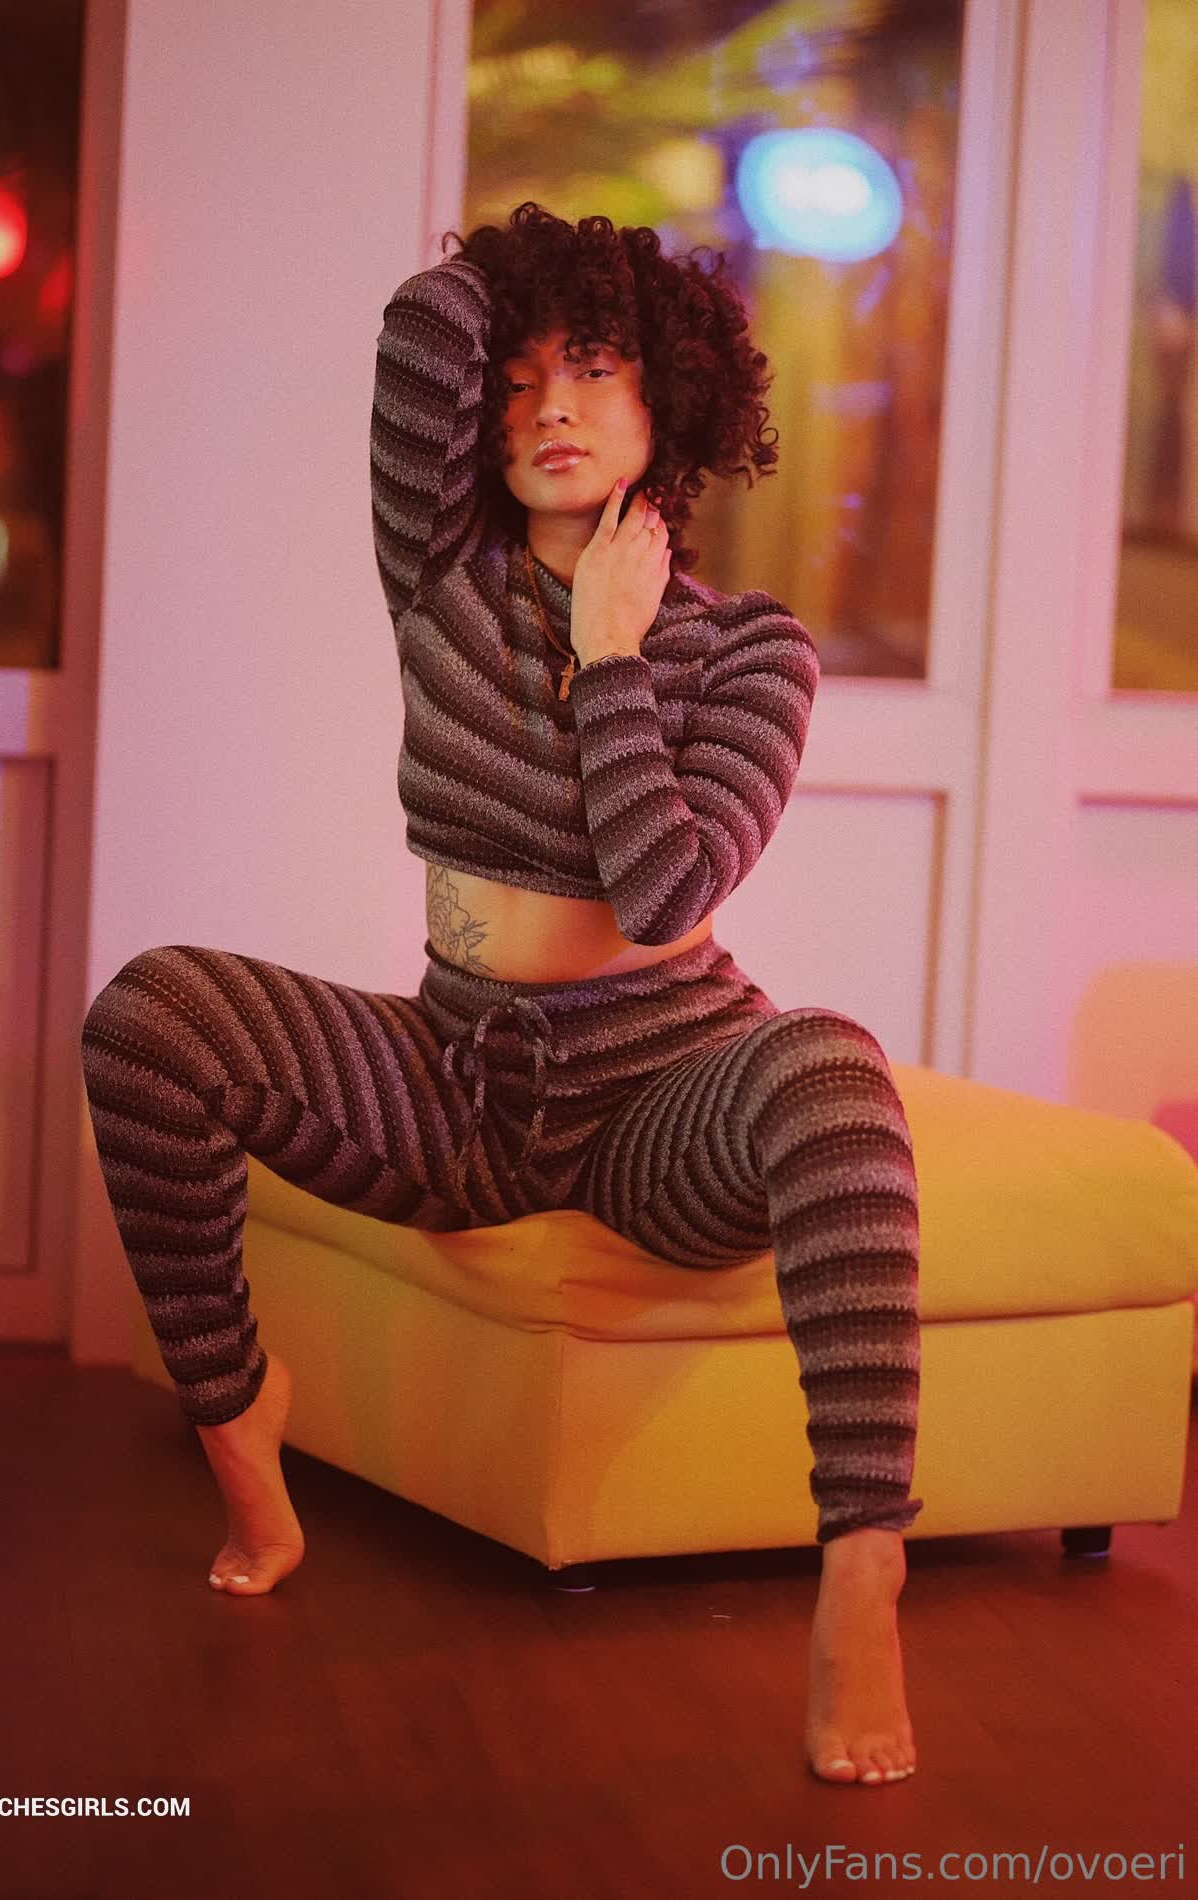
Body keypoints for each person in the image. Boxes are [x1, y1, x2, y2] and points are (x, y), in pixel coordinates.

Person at [81, 201, 921, 1788]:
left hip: (662, 1106)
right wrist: (519, 270)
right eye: (525, 378)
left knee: (837, 1070)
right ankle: (238, 1413)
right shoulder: (439, 581)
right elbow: (424, 329)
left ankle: (864, 1567)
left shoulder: (755, 652)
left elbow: (666, 895)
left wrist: (613, 660)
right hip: (460, 1081)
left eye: (595, 368)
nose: (550, 406)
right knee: (148, 1019)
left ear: (670, 401)